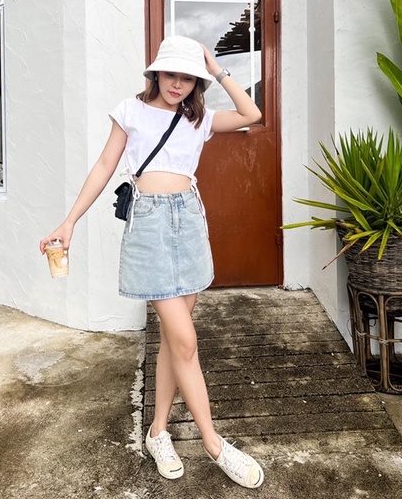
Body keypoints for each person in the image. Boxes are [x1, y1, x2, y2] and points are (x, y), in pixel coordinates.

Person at [39, 35, 264, 489]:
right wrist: (69, 221)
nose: (178, 84)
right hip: (148, 226)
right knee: (186, 342)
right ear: (155, 73)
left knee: (173, 342)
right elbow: (104, 165)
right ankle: (214, 443)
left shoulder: (198, 119)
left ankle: (158, 431)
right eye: (170, 74)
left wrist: (215, 68)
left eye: (187, 78)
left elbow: (251, 114)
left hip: (189, 223)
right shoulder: (131, 110)